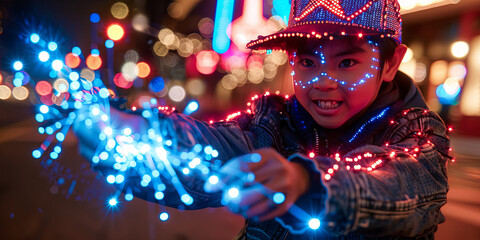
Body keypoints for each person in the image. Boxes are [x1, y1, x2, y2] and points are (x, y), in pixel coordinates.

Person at [74, 0, 451, 239]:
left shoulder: (417, 132)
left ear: (391, 63)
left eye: (347, 62)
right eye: (306, 62)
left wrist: (305, 183)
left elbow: (398, 187)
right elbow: (213, 148)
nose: (322, 81)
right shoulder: (274, 121)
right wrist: (136, 137)